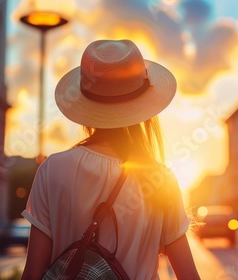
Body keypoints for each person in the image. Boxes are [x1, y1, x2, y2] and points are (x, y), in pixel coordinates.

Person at [21, 39, 200, 279]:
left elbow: (32, 273)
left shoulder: (52, 169)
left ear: (87, 105)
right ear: (144, 108)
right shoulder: (161, 179)